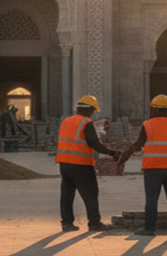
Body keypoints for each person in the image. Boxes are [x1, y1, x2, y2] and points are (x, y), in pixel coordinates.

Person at [120, 94, 167, 236]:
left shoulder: (148, 124)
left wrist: (123, 157)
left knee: (151, 200)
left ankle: (149, 229)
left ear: (154, 110)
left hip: (153, 168)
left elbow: (138, 145)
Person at [56, 95, 121, 233]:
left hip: (64, 162)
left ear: (78, 108)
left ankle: (67, 223)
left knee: (67, 194)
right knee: (90, 193)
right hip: (81, 164)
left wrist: (99, 128)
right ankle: (94, 223)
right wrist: (112, 153)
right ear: (91, 110)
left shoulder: (66, 121)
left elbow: (79, 136)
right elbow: (94, 143)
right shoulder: (86, 122)